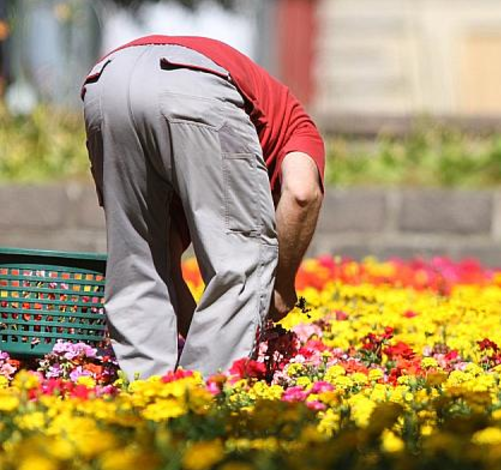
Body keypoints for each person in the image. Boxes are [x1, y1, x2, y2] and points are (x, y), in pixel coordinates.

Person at [81, 35, 325, 378]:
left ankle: (146, 396)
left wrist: (199, 338)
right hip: (198, 88)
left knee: (138, 260)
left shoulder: (185, 175)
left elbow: (167, 268)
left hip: (107, 82)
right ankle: (205, 402)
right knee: (242, 264)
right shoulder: (297, 125)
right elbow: (301, 194)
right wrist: (281, 287)